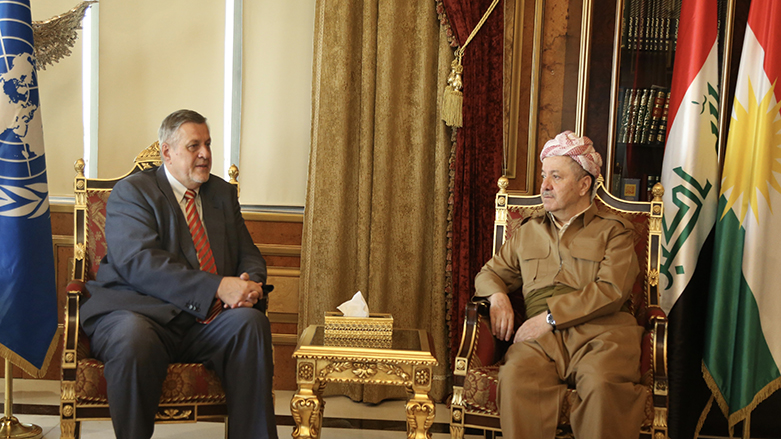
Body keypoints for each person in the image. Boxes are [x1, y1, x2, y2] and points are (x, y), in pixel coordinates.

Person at [80, 109, 277, 439]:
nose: (205, 154)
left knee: (250, 323)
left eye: (208, 144)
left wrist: (248, 284)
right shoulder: (133, 192)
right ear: (167, 152)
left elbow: (248, 254)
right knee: (132, 338)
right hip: (139, 312)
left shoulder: (221, 194)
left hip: (204, 322)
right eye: (194, 145)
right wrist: (218, 287)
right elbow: (140, 263)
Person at [474, 130, 646, 438]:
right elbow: (489, 273)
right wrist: (498, 296)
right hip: (541, 343)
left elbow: (612, 291)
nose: (545, 186)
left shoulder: (615, 232)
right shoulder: (527, 232)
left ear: (584, 185)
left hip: (602, 334)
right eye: (543, 176)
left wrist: (550, 318)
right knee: (516, 375)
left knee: (601, 383)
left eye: (556, 176)